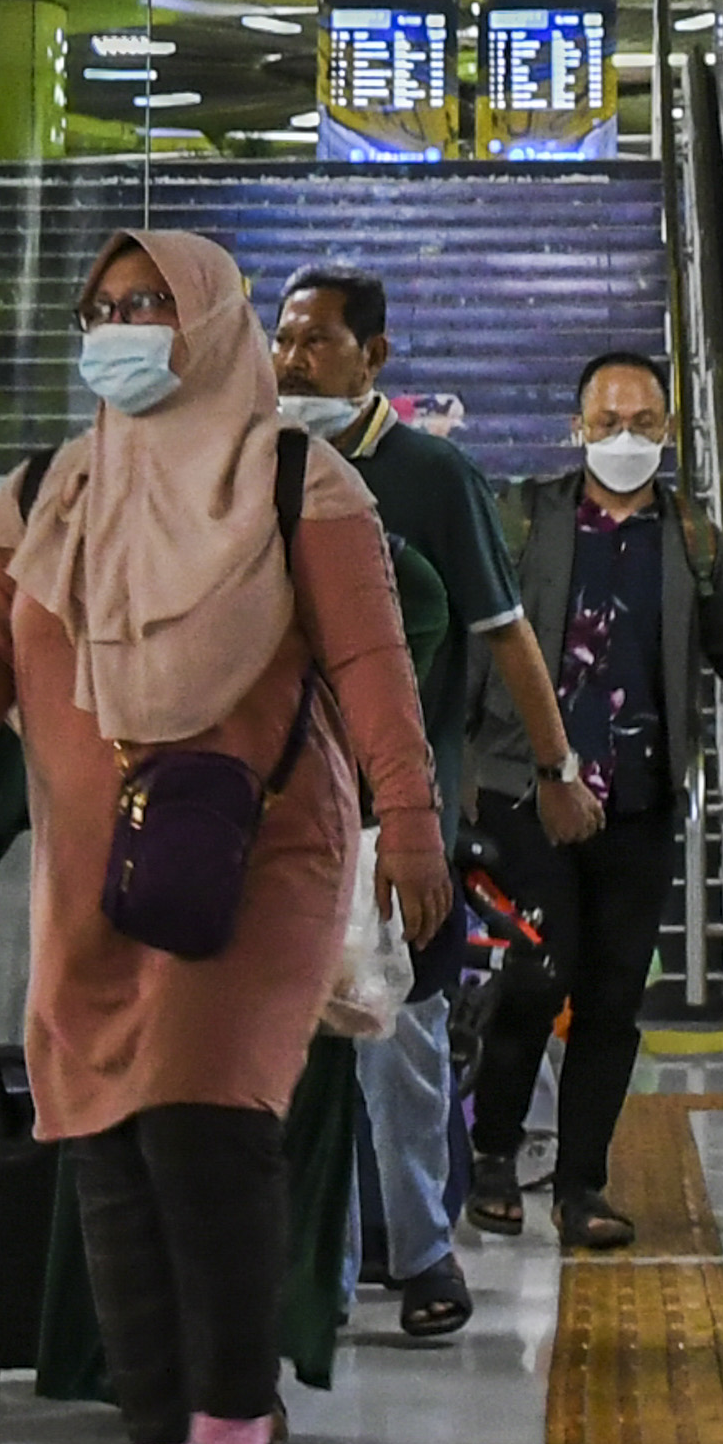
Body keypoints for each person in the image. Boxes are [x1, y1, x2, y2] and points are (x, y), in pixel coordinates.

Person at [0, 230, 446, 1444]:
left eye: (151, 304)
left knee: (205, 1128)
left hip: (258, 858)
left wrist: (415, 821)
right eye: (104, 307)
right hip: (94, 863)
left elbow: (376, 662)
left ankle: (232, 1421)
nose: (125, 326)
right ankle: (150, 1431)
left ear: (211, 322)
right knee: (106, 1145)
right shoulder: (48, 495)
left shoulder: (297, 483)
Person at [466, 353, 723, 1246]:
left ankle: (580, 1186)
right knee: (538, 974)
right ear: (577, 428)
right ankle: (492, 1150)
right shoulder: (523, 517)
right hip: (523, 791)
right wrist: (448, 770)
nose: (625, 438)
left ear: (671, 432)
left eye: (644, 422)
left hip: (640, 804)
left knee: (612, 999)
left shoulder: (694, 539)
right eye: (607, 420)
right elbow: (475, 641)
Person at [271, 261, 594, 1344]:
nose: (290, 358)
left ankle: (417, 1253)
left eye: (315, 340)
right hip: (266, 814)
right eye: (283, 337)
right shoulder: (248, 470)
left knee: (399, 1040)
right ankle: (306, 1255)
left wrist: (552, 771)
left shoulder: (427, 476)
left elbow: (505, 637)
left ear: (377, 355)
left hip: (393, 816)